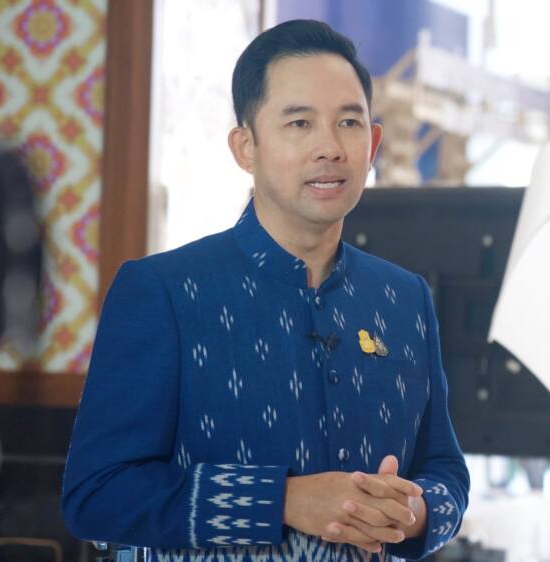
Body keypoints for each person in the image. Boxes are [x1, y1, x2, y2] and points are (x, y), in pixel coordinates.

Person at [62, 19, 469, 562]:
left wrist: (412, 512)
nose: (330, 147)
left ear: (372, 144)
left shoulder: (404, 299)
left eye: (349, 122)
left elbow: (445, 471)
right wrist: (283, 500)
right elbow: (96, 495)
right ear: (245, 147)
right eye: (299, 123)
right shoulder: (164, 291)